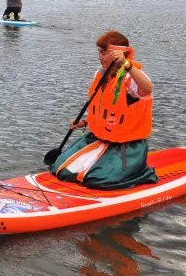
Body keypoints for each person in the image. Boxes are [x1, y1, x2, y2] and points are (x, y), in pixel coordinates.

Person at [49, 31, 158, 190]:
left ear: (117, 54)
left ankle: (140, 173)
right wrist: (84, 122)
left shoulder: (130, 78)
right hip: (98, 139)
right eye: (99, 52)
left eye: (103, 53)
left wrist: (128, 66)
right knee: (62, 169)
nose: (99, 57)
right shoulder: (100, 75)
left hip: (126, 146)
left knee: (98, 179)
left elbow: (148, 88)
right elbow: (105, 110)